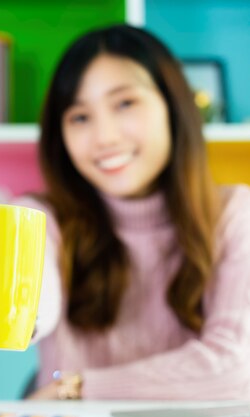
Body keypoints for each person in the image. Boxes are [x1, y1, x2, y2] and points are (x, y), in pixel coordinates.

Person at [17, 24, 250, 399]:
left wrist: (74, 390)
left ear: (173, 106)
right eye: (79, 117)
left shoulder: (235, 214)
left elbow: (236, 368)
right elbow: (33, 303)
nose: (105, 136)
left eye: (124, 103)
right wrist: (16, 306)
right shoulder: (41, 219)